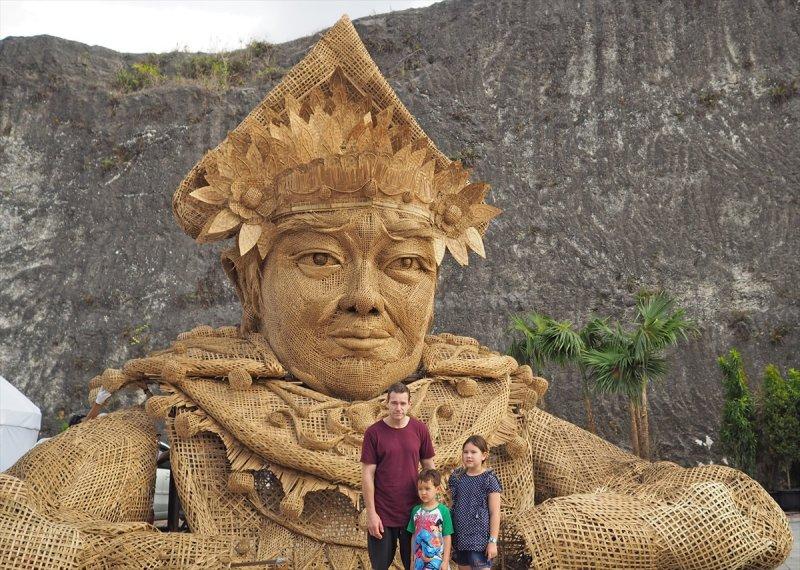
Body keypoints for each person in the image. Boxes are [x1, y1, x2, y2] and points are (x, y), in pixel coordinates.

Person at [0, 15, 791, 570]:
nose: (365, 298)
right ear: (248, 280)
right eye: (318, 259)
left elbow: (742, 515)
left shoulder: (491, 422)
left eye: (406, 265)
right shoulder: (178, 430)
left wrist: (519, 542)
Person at [361, 383, 436, 570]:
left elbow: (430, 470)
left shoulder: (420, 430)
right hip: (382, 514)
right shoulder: (373, 433)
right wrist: (371, 514)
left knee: (416, 566)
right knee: (379, 567)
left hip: (413, 514)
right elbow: (367, 476)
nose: (398, 408)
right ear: (387, 403)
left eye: (403, 403)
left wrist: (430, 511)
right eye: (394, 403)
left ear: (410, 404)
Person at [449, 436, 501, 570]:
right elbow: (453, 506)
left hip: (480, 541)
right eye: (465, 452)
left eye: (473, 452)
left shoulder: (489, 479)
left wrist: (493, 541)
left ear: (484, 455)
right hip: (460, 539)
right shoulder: (457, 478)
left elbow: (495, 513)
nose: (469, 456)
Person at [407, 469, 452, 570]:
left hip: (437, 561)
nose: (423, 492)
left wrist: (445, 561)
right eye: (420, 489)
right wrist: (412, 560)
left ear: (437, 489)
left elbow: (447, 537)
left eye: (427, 489)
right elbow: (414, 536)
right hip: (419, 562)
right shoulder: (415, 511)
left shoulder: (443, 511)